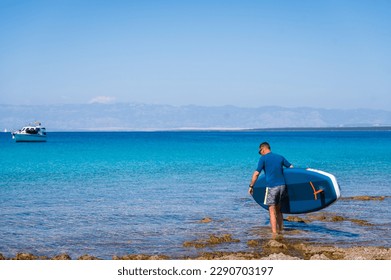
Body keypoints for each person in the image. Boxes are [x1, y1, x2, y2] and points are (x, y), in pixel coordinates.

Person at [248, 142, 293, 235]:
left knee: (271, 210)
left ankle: (274, 233)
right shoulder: (280, 157)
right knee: (279, 210)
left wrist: (251, 186)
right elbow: (291, 168)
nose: (260, 154)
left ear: (263, 149)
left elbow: (256, 173)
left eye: (260, 151)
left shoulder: (263, 158)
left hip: (272, 187)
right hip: (282, 186)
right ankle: (281, 230)